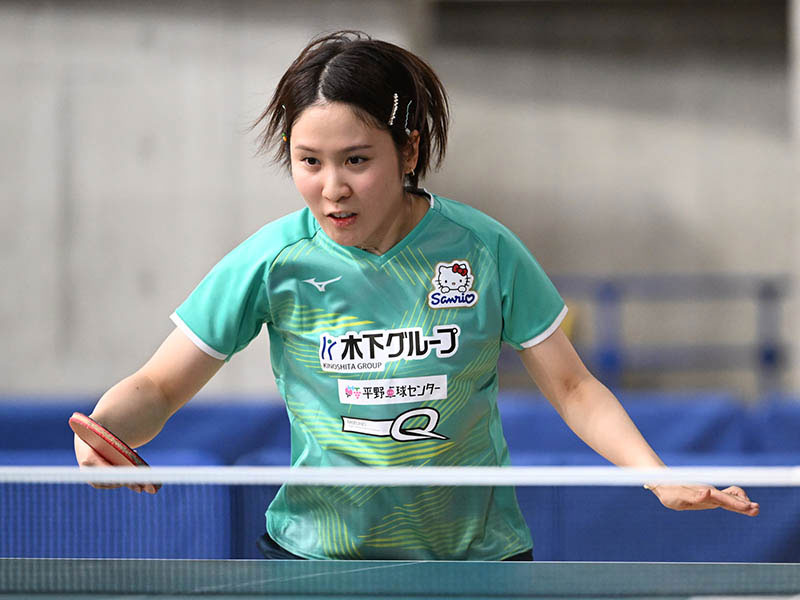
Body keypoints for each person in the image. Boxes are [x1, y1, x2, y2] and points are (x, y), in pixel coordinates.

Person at [74, 30, 759, 561]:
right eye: (309, 162)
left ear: (408, 150)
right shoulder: (273, 261)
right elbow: (160, 386)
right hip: (316, 558)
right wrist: (105, 431)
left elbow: (574, 389)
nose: (332, 188)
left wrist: (656, 475)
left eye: (356, 160)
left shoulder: (483, 249)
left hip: (477, 560)